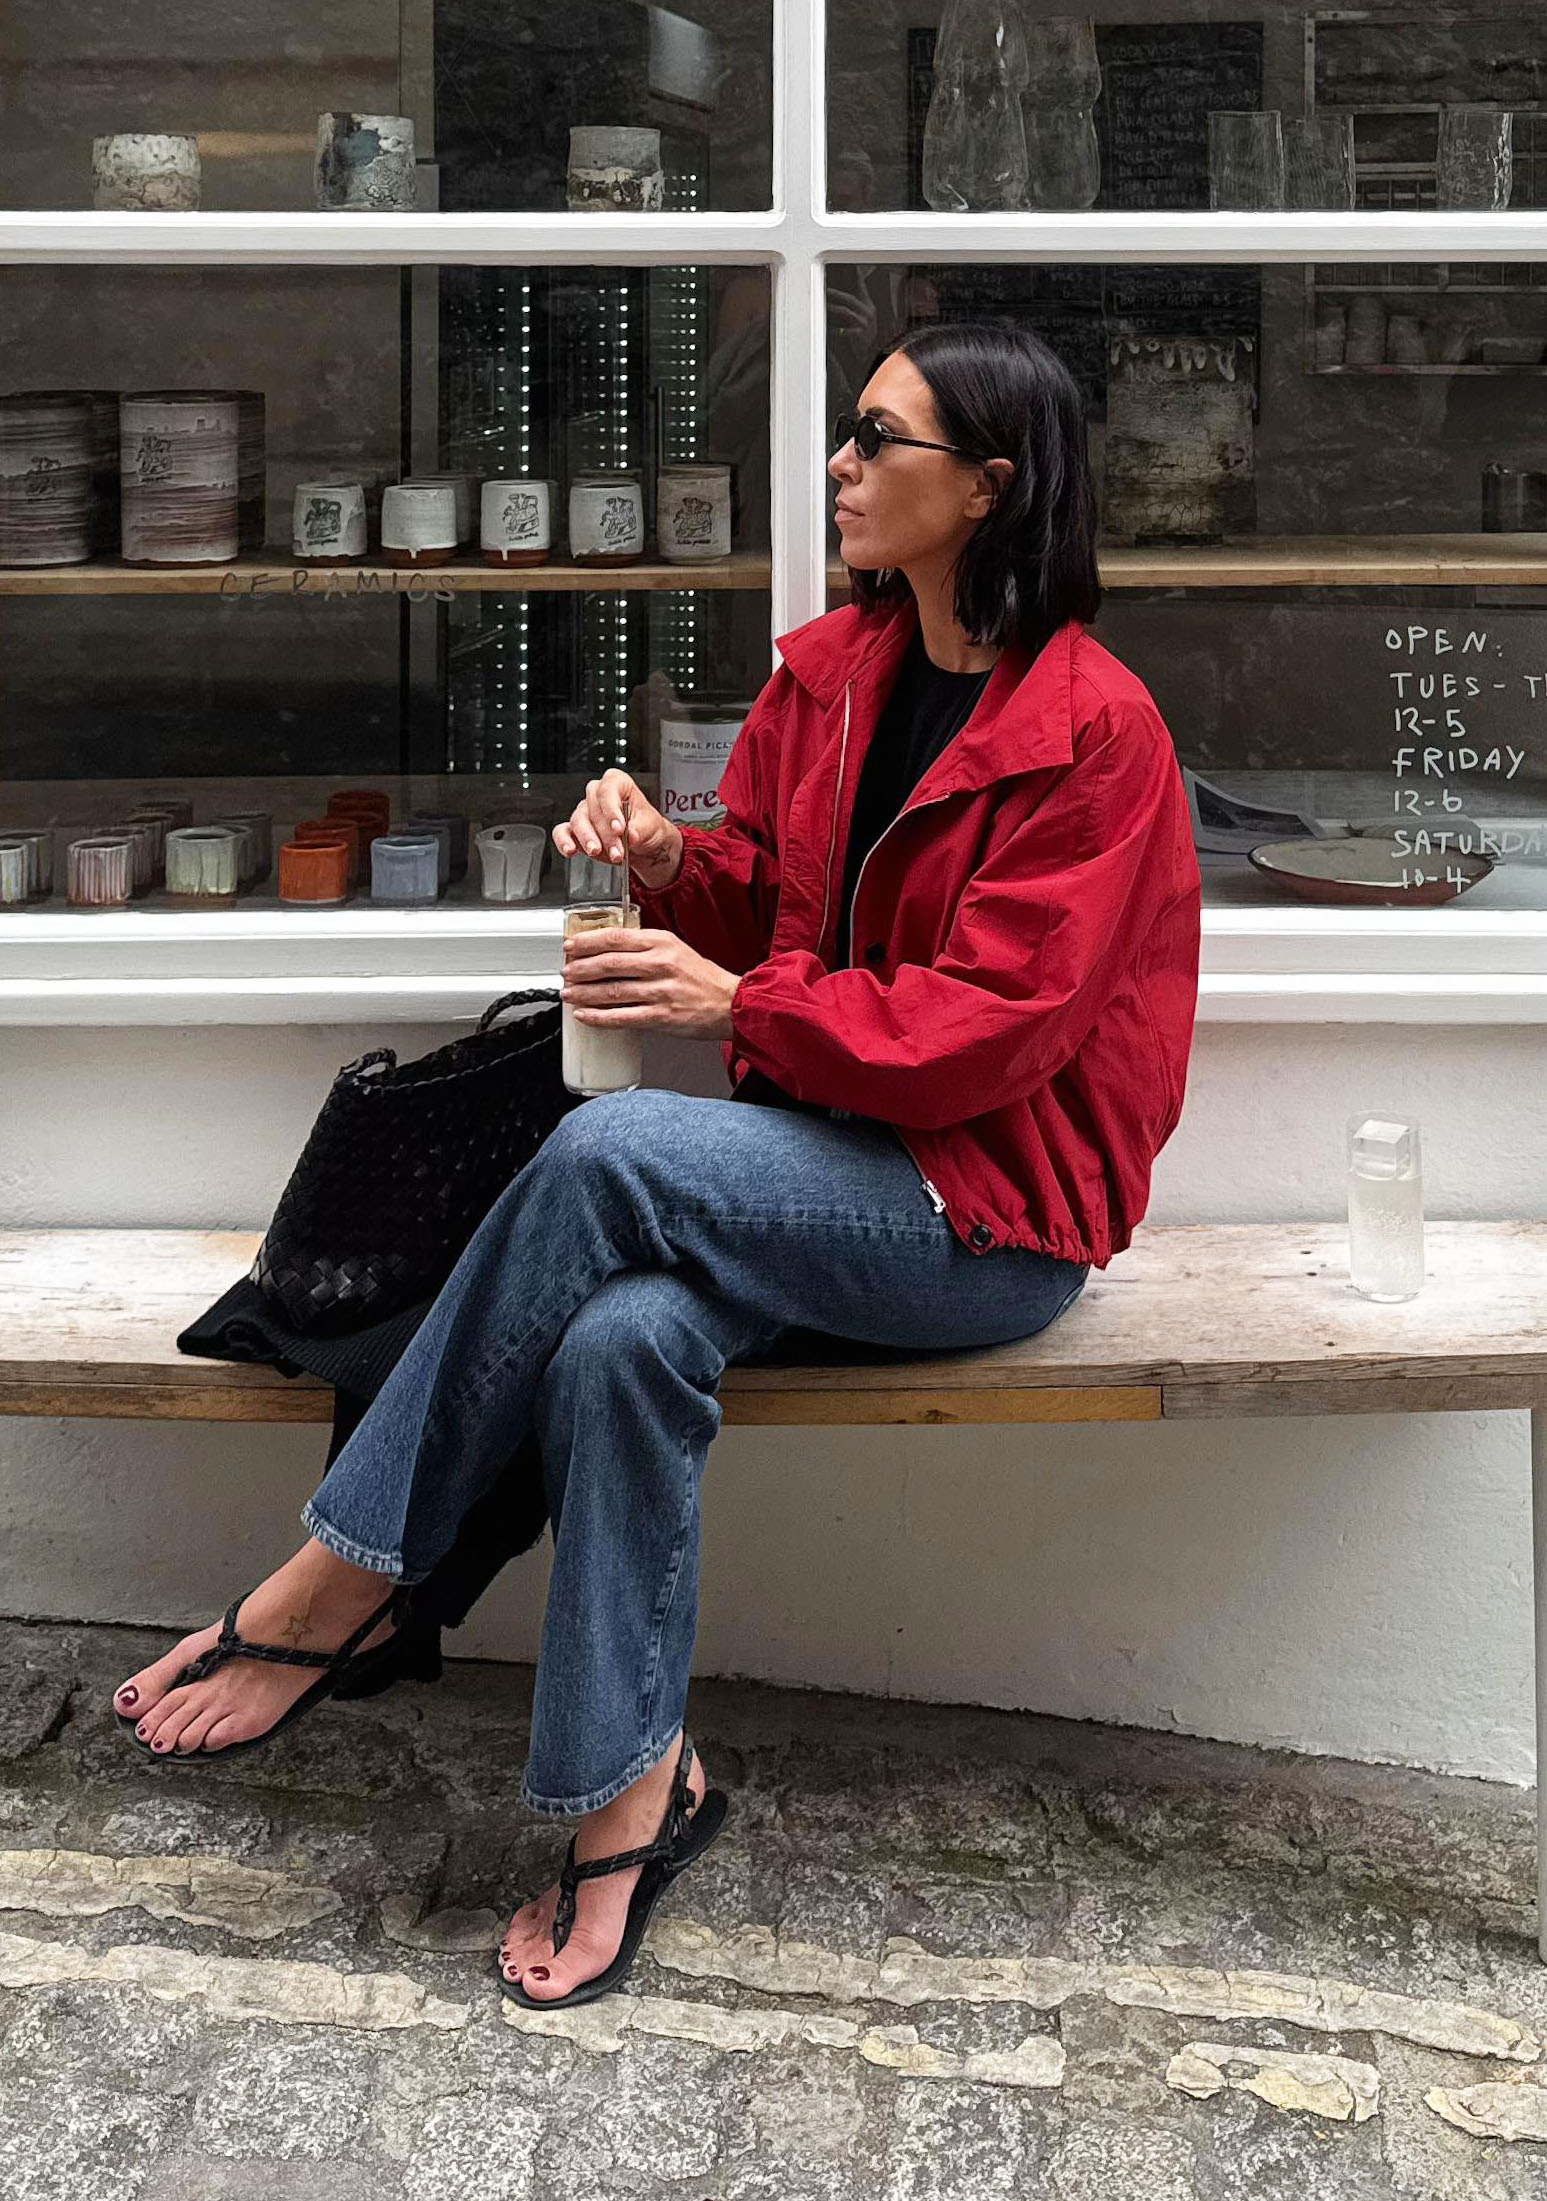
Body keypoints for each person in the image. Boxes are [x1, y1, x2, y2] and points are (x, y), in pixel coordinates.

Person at [108, 320, 1201, 2012]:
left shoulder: (1094, 731)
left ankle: (346, 1578)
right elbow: (762, 883)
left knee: (610, 1138)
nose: (838, 463)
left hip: (979, 1215)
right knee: (622, 1338)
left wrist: (735, 995)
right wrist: (672, 855)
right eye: (849, 434)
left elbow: (997, 1030)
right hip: (802, 1173)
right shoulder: (830, 672)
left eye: (876, 437)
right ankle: (632, 1788)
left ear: (989, 485)